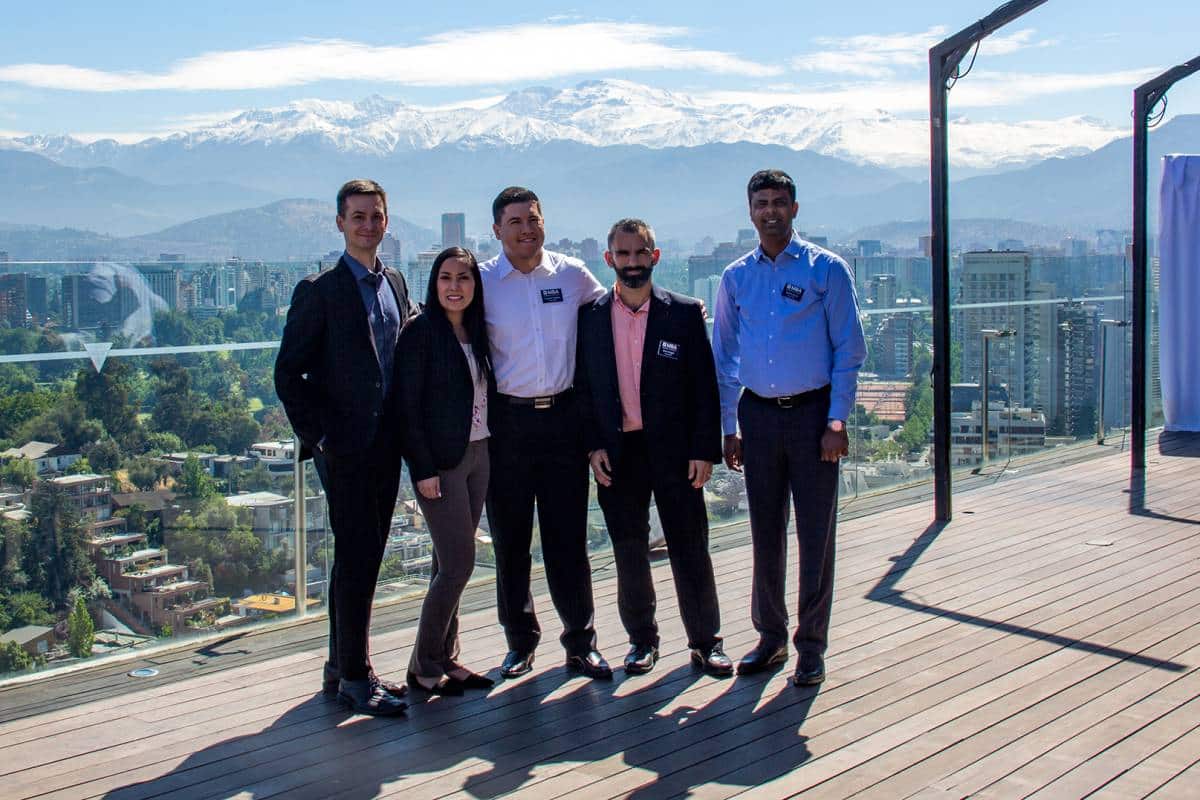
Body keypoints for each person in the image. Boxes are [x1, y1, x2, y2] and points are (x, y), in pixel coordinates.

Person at [712, 169, 867, 687]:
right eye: (762, 203)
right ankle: (771, 637)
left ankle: (811, 646)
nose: (771, 211)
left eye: (780, 202)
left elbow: (849, 350)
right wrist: (729, 424)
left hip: (813, 415)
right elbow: (725, 357)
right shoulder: (736, 277)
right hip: (757, 416)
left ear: (795, 209)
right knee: (764, 531)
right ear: (750, 211)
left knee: (815, 534)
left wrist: (837, 421)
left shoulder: (828, 270)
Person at [274, 179, 415, 716]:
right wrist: (324, 438)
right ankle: (357, 677)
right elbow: (289, 374)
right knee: (358, 559)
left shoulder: (395, 282)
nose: (367, 224)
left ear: (386, 220)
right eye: (357, 217)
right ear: (340, 224)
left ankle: (340, 668)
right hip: (345, 449)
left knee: (365, 557)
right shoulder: (320, 289)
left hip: (386, 446)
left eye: (375, 215)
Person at [576, 218, 733, 677]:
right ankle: (641, 642)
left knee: (690, 547)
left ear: (655, 257)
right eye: (622, 255)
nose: (631, 263)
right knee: (629, 551)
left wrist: (705, 450)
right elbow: (582, 388)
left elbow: (705, 388)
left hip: (677, 452)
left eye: (640, 253)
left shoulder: (683, 314)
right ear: (609, 260)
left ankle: (706, 642)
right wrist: (591, 446)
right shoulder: (588, 317)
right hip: (617, 453)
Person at [480, 186, 612, 680]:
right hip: (507, 426)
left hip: (563, 422)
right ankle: (520, 643)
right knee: (511, 542)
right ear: (497, 230)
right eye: (514, 222)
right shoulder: (484, 281)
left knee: (567, 540)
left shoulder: (573, 275)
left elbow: (614, 314)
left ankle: (581, 642)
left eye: (532, 219)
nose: (526, 229)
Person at [396, 247, 496, 696]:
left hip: (480, 454)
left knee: (445, 561)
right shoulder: (420, 333)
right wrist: (423, 469)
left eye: (464, 278)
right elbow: (407, 409)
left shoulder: (477, 331)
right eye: (446, 278)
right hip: (442, 463)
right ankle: (423, 664)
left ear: (476, 286)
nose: (455, 287)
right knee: (459, 564)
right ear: (434, 285)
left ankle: (447, 657)